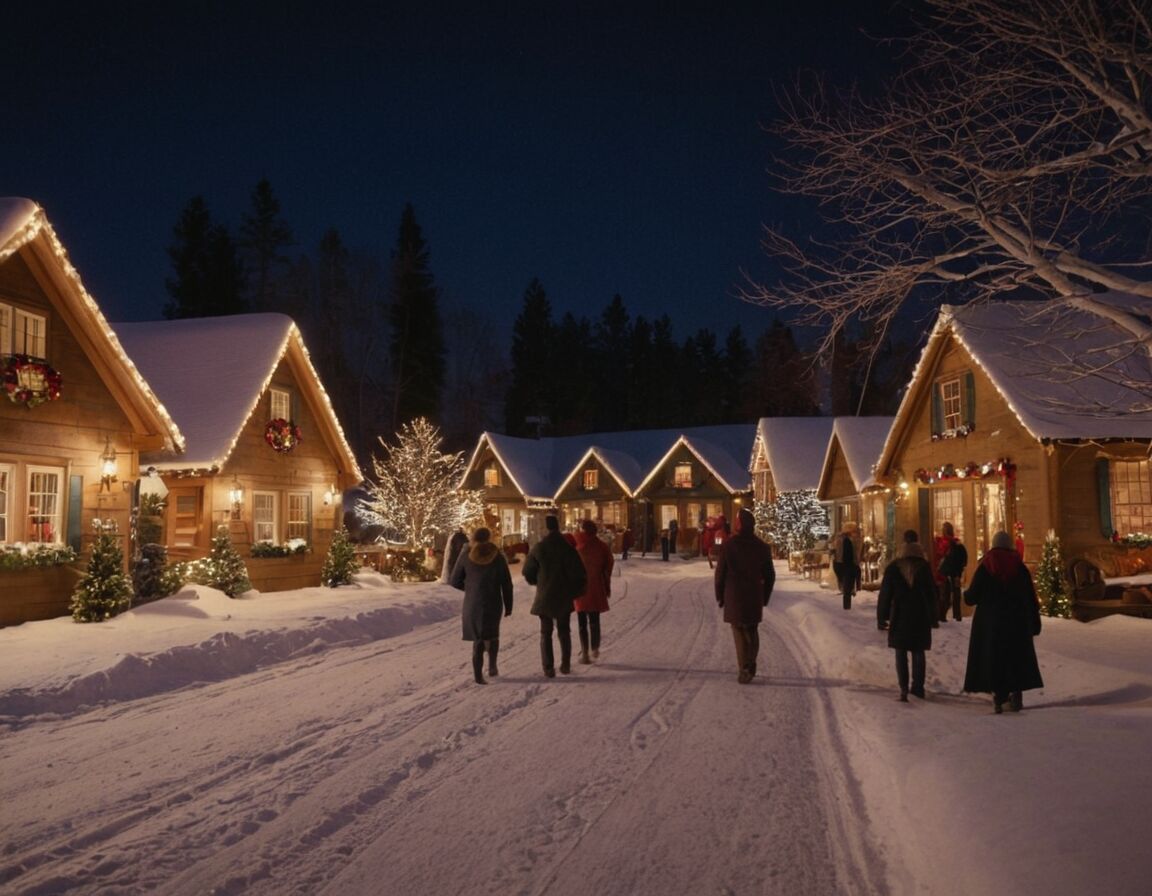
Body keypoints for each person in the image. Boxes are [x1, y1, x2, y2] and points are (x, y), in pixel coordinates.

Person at [963, 530, 1044, 713]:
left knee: (995, 658)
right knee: (1016, 657)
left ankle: (999, 698)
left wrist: (967, 595)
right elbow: (1030, 598)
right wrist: (1034, 621)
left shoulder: (986, 566)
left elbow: (972, 596)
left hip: (991, 623)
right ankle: (1016, 695)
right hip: (1017, 622)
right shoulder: (1020, 568)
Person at [714, 508, 776, 683]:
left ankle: (744, 669)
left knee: (738, 630)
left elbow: (720, 574)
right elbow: (770, 574)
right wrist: (765, 596)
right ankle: (751, 662)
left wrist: (719, 595)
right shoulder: (762, 547)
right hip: (754, 594)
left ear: (739, 524)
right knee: (752, 629)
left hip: (734, 595)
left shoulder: (729, 545)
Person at [877, 530, 938, 701]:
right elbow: (932, 593)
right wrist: (934, 616)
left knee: (900, 651)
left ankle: (903, 687)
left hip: (900, 614)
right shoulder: (924, 567)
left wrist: (882, 616)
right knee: (918, 651)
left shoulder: (894, 567)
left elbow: (885, 594)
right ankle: (918, 687)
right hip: (920, 614)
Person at [523, 515, 587, 677]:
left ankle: (548, 667)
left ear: (546, 528)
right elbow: (579, 573)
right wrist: (575, 591)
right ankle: (565, 664)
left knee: (546, 633)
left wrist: (536, 581)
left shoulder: (539, 547)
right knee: (564, 631)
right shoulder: (567, 548)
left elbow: (528, 570)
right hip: (564, 595)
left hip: (545, 595)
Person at [449, 528, 513, 685]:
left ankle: (478, 675)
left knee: (478, 637)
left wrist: (470, 588)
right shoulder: (497, 555)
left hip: (473, 602)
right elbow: (506, 583)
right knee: (492, 634)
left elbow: (455, 580)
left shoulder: (466, 554)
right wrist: (508, 605)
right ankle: (492, 666)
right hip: (493, 601)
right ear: (489, 538)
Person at [574, 520, 613, 663]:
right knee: (594, 620)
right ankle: (595, 647)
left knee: (582, 622)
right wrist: (605, 579)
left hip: (580, 587)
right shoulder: (601, 546)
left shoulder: (577, 544)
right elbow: (609, 563)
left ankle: (584, 653)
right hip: (596, 586)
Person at [934, 521, 969, 622]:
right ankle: (955, 615)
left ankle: (945, 615)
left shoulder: (945, 543)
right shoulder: (955, 543)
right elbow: (964, 558)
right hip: (952, 572)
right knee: (952, 594)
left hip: (947, 572)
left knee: (948, 594)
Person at [832, 521, 862, 610]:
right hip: (847, 564)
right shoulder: (846, 540)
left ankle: (851, 590)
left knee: (848, 583)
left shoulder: (840, 538)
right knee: (849, 584)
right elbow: (850, 554)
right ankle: (847, 606)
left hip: (841, 564)